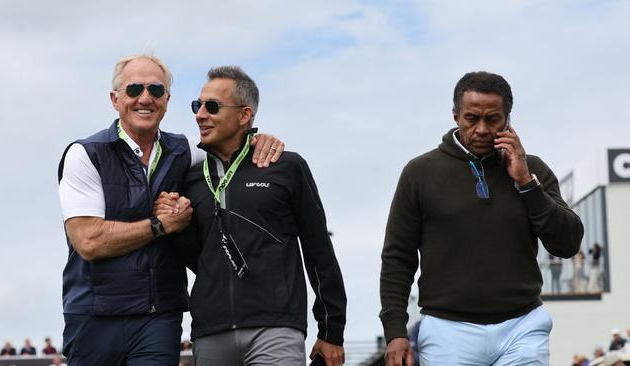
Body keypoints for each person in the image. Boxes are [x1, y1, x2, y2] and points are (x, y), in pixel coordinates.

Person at [57, 54, 283, 365]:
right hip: (94, 316)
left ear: (167, 99)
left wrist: (256, 139)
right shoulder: (85, 155)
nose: (145, 98)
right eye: (134, 89)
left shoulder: (186, 151)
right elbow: (89, 241)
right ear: (115, 99)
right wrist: (160, 224)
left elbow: (233, 153)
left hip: (158, 318)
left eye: (156, 90)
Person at [379, 71, 584, 366]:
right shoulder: (420, 173)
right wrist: (395, 332)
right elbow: (398, 257)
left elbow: (567, 243)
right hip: (447, 330)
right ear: (455, 116)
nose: (482, 129)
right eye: (471, 118)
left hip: (522, 326)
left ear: (508, 119)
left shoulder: (533, 169)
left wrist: (526, 183)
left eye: (493, 119)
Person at [157, 65, 347, 366]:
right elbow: (197, 257)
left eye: (212, 106)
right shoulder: (190, 178)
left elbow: (318, 249)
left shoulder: (286, 167)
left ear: (244, 115)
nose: (200, 114)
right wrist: (174, 224)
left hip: (275, 329)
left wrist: (332, 329)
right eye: (198, 105)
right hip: (210, 334)